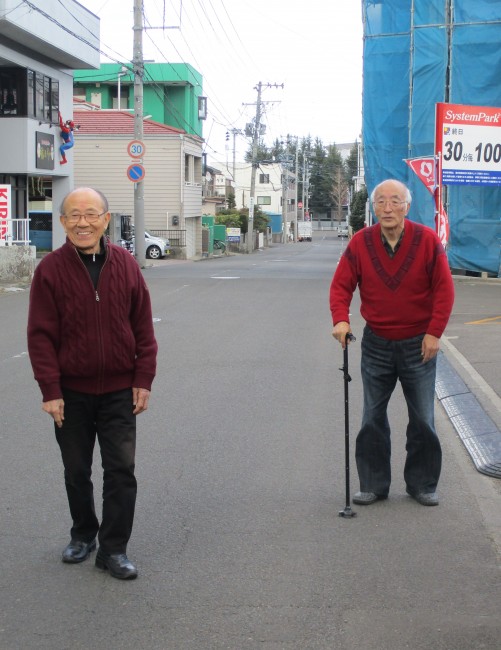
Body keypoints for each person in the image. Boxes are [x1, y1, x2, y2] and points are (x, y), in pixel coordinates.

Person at [27, 187, 158, 579]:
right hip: (71, 392)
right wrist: (50, 390)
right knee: (76, 469)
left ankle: (114, 549)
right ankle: (83, 534)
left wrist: (143, 378)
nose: (82, 222)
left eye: (90, 214)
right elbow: (40, 336)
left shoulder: (127, 265)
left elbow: (143, 327)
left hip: (119, 390)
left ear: (105, 219)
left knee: (121, 470)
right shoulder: (49, 270)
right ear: (63, 222)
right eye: (74, 215)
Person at [330, 179, 454, 507]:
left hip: (419, 344)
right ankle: (373, 485)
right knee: (371, 417)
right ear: (373, 207)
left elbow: (444, 290)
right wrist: (340, 318)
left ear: (407, 207)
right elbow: (341, 285)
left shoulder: (426, 241)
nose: (387, 207)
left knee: (423, 419)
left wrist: (434, 332)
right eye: (381, 201)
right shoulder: (361, 242)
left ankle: (422, 484)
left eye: (395, 201)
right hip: (377, 343)